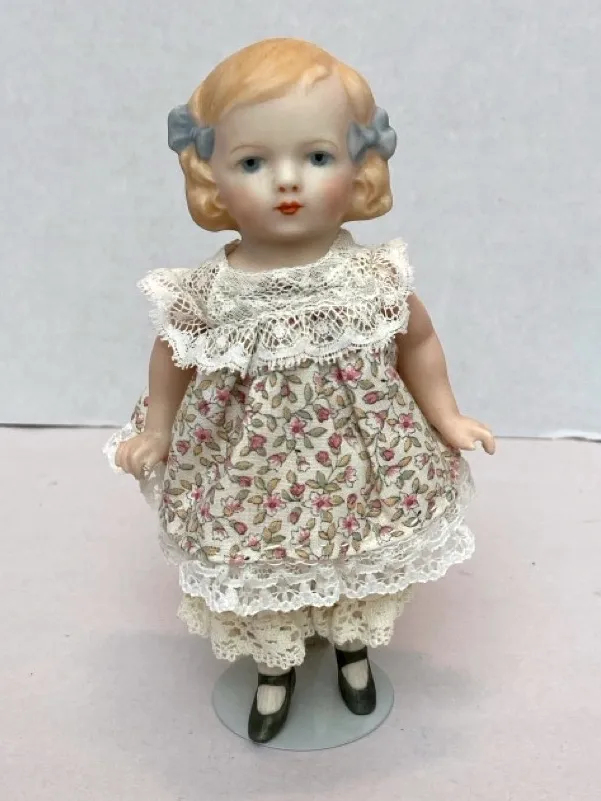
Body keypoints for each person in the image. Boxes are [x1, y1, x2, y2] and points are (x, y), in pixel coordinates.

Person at [105, 37, 495, 744]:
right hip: (249, 470)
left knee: (358, 554)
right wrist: (158, 428)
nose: (287, 183)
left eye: (316, 157)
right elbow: (172, 356)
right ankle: (274, 666)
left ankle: (352, 649)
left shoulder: (371, 277)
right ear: (212, 175)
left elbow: (416, 341)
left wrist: (447, 416)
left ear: (358, 166)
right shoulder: (211, 290)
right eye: (253, 163)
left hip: (358, 460)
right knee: (261, 566)